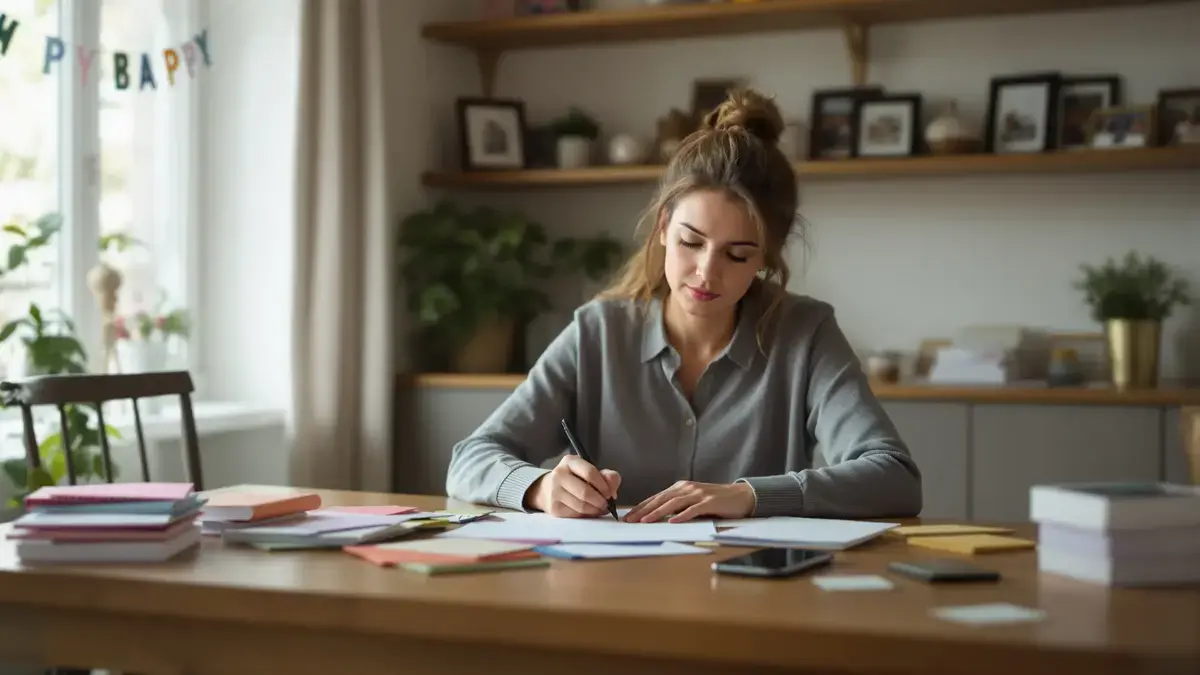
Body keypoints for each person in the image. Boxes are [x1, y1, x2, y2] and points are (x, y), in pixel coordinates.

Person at [445, 88, 922, 523]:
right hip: (611, 580)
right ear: (662, 227)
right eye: (691, 242)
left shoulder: (805, 333)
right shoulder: (598, 332)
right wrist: (540, 487)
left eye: (738, 255)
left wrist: (750, 496)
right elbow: (471, 459)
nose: (706, 273)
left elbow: (894, 477)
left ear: (767, 257)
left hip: (746, 581)